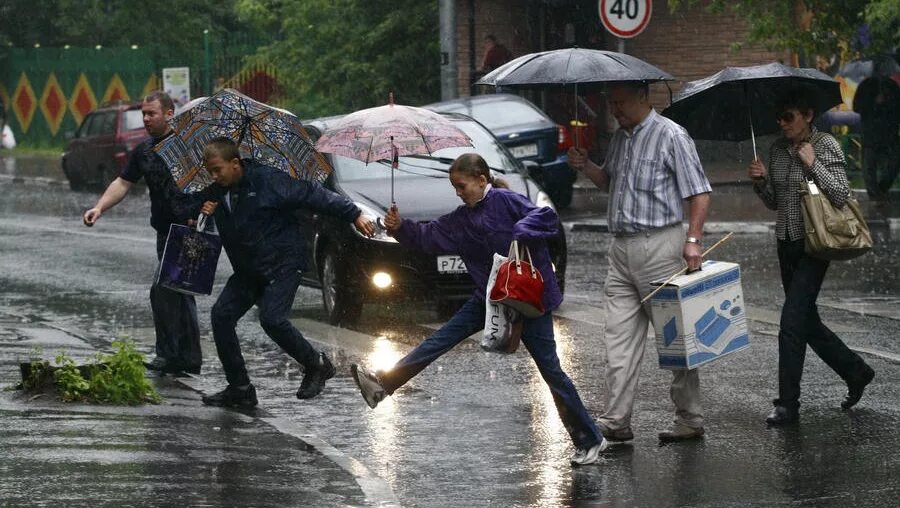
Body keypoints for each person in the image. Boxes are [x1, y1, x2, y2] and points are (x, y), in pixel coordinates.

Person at [349, 153, 608, 466]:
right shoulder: (460, 219)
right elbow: (427, 237)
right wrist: (400, 227)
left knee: (551, 370)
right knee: (440, 339)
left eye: (462, 185)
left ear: (481, 180)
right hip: (491, 297)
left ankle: (590, 439)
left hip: (530, 298)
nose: (458, 192)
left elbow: (547, 218)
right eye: (455, 187)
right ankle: (382, 385)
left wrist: (523, 228)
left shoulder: (507, 201)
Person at [567, 81, 712, 443]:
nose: (614, 110)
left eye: (620, 103)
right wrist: (587, 166)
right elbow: (610, 184)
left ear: (643, 97)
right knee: (617, 337)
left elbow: (699, 192)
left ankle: (690, 418)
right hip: (621, 249)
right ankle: (616, 420)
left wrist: (693, 240)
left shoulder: (671, 135)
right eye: (611, 103)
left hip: (660, 246)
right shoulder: (621, 138)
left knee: (674, 340)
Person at [197, 137, 375, 408]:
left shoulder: (268, 180)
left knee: (272, 318)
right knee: (221, 316)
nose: (214, 176)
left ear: (235, 163)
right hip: (249, 269)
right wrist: (202, 210)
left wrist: (353, 214)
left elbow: (312, 194)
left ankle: (317, 364)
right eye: (210, 171)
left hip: (284, 263)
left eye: (217, 169)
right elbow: (188, 209)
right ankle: (240, 388)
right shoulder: (216, 191)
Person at [748, 86, 875, 425]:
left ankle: (787, 404)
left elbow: (840, 194)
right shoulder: (776, 151)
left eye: (788, 117)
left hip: (815, 243)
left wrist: (813, 164)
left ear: (806, 116)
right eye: (779, 118)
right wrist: (760, 183)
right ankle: (856, 371)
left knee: (791, 323)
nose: (783, 124)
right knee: (806, 320)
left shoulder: (825, 145)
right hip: (785, 242)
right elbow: (776, 202)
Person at [83, 91, 203, 376]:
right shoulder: (145, 150)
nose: (146, 119)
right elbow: (123, 183)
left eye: (152, 114)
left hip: (188, 230)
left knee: (163, 289)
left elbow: (212, 181)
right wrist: (99, 207)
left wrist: (202, 210)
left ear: (169, 114)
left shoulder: (189, 148)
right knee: (179, 293)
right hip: (164, 231)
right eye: (144, 114)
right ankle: (187, 357)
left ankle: (170, 355)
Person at [853, 76, 900, 199]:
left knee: (893, 164)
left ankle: (882, 189)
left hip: (890, 134)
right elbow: (857, 107)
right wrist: (873, 102)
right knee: (869, 166)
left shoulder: (892, 87)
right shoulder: (866, 86)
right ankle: (874, 194)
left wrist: (886, 102)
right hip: (870, 134)